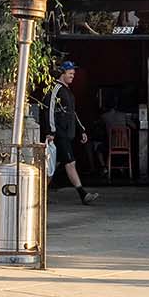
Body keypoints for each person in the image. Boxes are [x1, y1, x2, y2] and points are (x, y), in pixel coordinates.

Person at [44, 61, 98, 205]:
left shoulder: (67, 90)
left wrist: (82, 130)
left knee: (52, 167)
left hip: (68, 133)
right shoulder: (55, 89)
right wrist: (51, 131)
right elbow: (49, 110)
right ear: (62, 73)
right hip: (59, 134)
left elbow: (72, 113)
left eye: (73, 74)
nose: (73, 76)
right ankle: (83, 195)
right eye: (70, 73)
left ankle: (39, 193)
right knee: (70, 163)